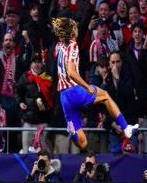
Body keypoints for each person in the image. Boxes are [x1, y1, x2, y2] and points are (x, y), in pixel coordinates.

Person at [52, 17, 138, 150]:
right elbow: (71, 72)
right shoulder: (72, 46)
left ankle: (72, 131)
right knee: (105, 96)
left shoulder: (60, 47)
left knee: (83, 143)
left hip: (63, 97)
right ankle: (126, 128)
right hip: (73, 90)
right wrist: (87, 87)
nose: (76, 30)